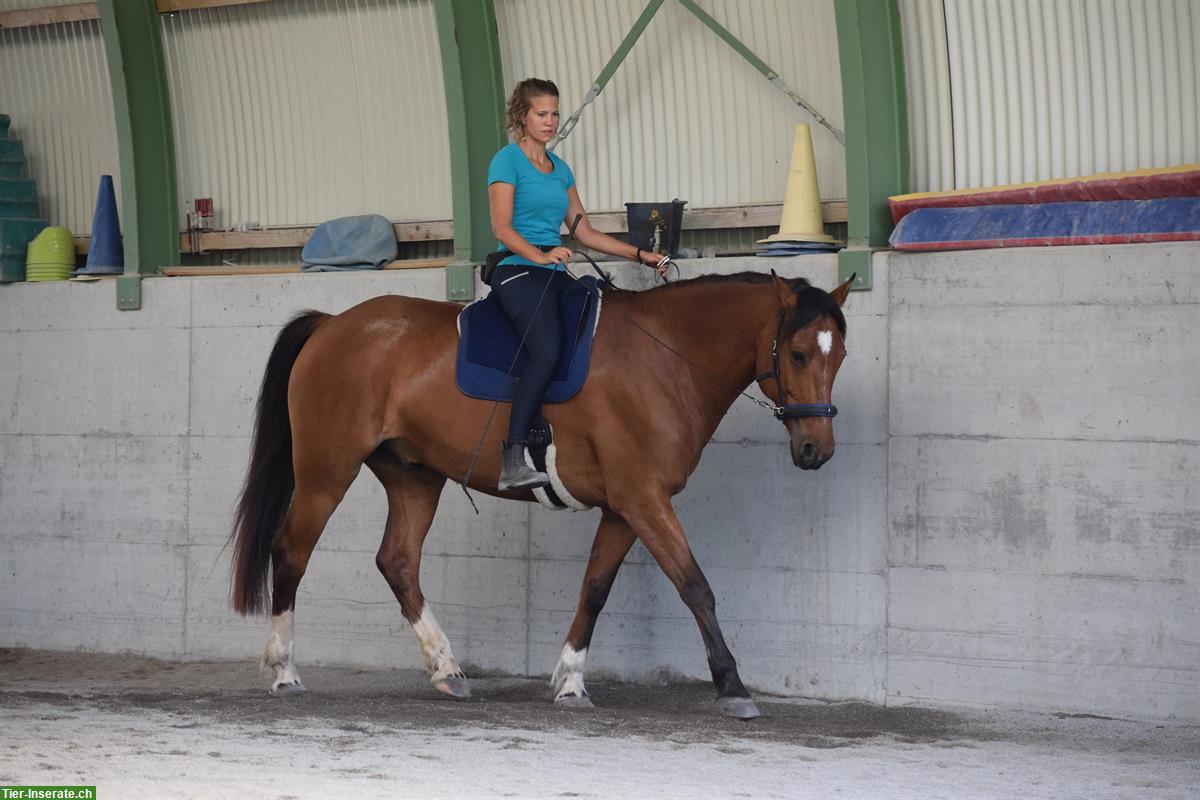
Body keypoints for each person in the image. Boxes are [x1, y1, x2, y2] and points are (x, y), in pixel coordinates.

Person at [487, 77, 669, 492]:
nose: (550, 121)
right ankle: (513, 455)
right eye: (541, 114)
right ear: (522, 116)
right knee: (547, 348)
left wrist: (640, 254)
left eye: (554, 113)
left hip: (553, 270)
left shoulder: (561, 169)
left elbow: (584, 232)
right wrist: (540, 254)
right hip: (517, 267)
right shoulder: (506, 161)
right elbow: (501, 226)